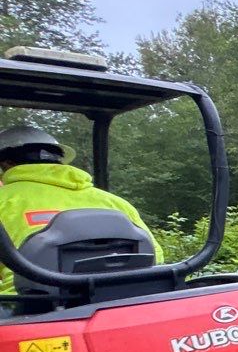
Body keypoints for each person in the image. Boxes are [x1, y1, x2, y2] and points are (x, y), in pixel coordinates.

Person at [0, 124, 162, 297]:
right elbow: (156, 257)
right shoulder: (115, 203)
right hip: (117, 301)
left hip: (25, 306)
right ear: (58, 161)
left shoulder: (5, 200)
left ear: (6, 164)